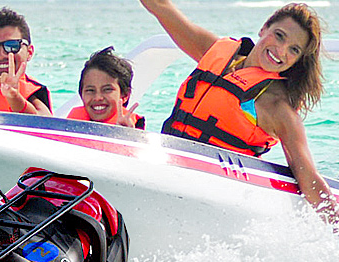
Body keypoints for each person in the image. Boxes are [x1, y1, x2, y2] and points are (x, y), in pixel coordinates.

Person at [138, 0, 339, 224]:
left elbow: (308, 176)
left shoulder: (276, 107)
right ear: (264, 28)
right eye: (279, 35)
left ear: (298, 60)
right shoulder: (216, 54)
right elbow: (161, 7)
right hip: (162, 172)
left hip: (208, 200)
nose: (281, 51)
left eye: (294, 50)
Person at [67, 46, 145, 129]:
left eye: (107, 89)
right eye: (90, 90)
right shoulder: (70, 125)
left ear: (125, 95)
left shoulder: (133, 131)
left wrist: (125, 133)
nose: (98, 98)